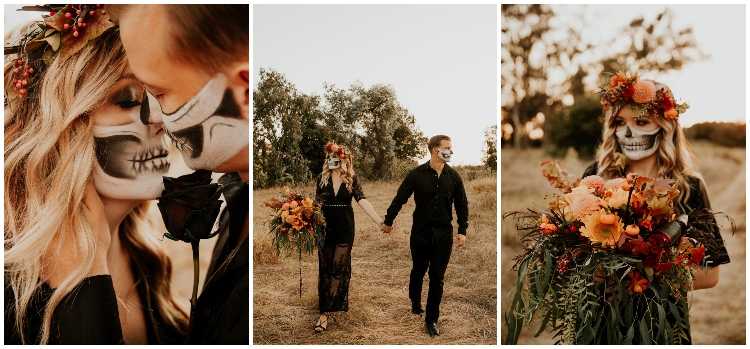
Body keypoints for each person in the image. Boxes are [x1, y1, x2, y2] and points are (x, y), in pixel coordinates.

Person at [4, 18, 187, 344]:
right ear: (58, 128)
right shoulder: (9, 285)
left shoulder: (149, 262)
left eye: (158, 95)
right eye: (129, 99)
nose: (160, 119)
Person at [109, 5, 250, 344]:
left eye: (158, 93)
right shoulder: (236, 198)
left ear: (246, 88)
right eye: (133, 99)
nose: (151, 116)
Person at [585, 72, 730, 343]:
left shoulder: (690, 187)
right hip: (601, 323)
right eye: (619, 122)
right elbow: (577, 257)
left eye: (641, 121)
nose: (628, 132)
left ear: (666, 126)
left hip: (662, 325)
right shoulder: (596, 178)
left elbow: (710, 275)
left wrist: (638, 277)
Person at [382, 135, 469, 337]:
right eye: (447, 147)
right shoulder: (416, 174)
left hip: (443, 235)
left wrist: (462, 230)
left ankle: (431, 320)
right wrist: (388, 221)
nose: (451, 151)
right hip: (420, 234)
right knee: (418, 270)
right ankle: (415, 302)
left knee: (437, 278)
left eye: (451, 147)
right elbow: (400, 198)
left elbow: (462, 205)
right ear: (434, 150)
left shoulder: (454, 177)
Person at [313, 142, 383, 332]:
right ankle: (324, 310)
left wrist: (379, 221)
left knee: (338, 268)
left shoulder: (351, 178)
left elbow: (362, 200)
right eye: (329, 157)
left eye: (335, 157)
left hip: (345, 227)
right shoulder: (321, 178)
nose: (331, 160)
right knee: (326, 269)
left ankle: (327, 310)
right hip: (325, 227)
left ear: (343, 159)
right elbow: (316, 203)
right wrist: (301, 219)